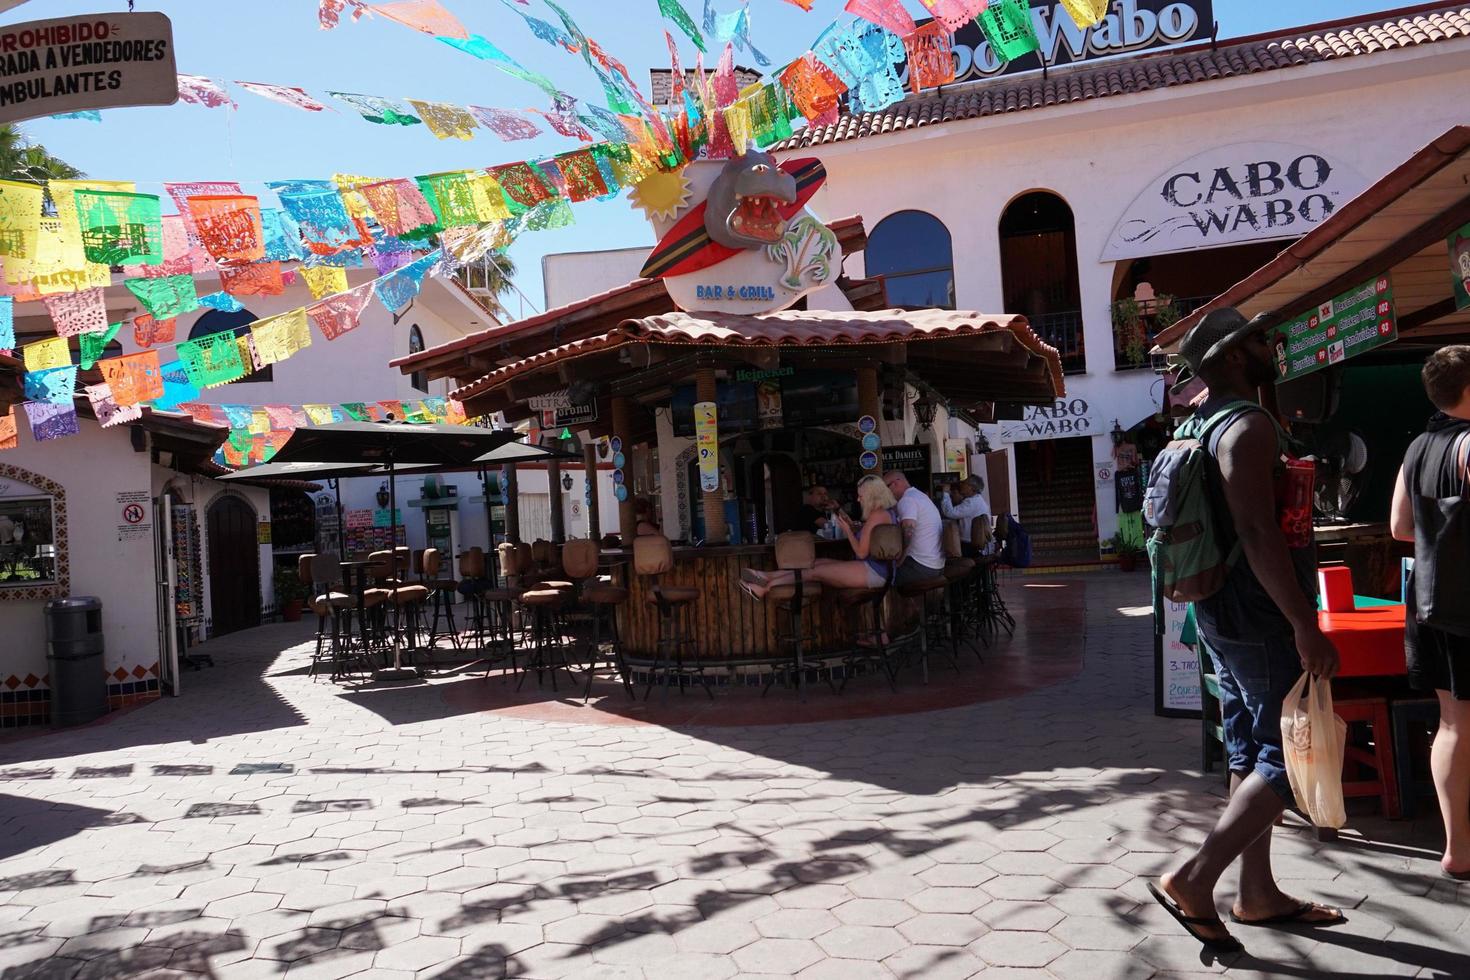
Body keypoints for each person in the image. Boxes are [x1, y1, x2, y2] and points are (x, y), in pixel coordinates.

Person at [1151, 308, 1344, 954]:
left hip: (1214, 607)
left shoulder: (1198, 421)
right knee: (1291, 753)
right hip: (1259, 609)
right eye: (1259, 341)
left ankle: (1256, 893)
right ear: (1234, 357)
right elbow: (1259, 534)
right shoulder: (1249, 427)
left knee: (1247, 749)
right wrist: (1302, 624)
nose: (1271, 347)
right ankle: (1195, 877)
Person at [1390, 345, 1470, 880]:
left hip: (1428, 603)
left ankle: (1457, 847)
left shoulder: (1417, 446)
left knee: (1453, 724)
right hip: (1468, 606)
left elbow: (1399, 526)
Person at [741, 475, 898, 599]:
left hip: (874, 571)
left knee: (812, 572)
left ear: (871, 495)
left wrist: (848, 531)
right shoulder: (886, 512)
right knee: (814, 563)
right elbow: (865, 533)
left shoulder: (876, 515)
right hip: (878, 569)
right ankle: (764, 575)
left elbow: (861, 553)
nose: (858, 499)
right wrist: (843, 518)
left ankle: (765, 587)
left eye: (861, 495)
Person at [883, 469, 945, 587]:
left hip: (921, 567)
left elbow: (908, 533)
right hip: (936, 565)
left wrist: (900, 560)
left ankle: (892, 606)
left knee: (878, 578)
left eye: (885, 488)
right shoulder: (919, 495)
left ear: (895, 483)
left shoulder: (907, 500)